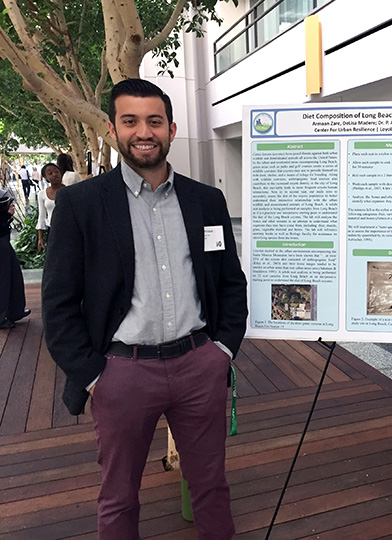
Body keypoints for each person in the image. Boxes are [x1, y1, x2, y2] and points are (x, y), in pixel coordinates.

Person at [42, 78, 248, 540]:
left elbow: (231, 283)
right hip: (122, 372)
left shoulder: (206, 200)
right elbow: (57, 305)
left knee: (211, 486)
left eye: (154, 121)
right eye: (130, 121)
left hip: (200, 364)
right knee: (118, 498)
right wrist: (96, 377)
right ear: (114, 130)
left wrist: (223, 352)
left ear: (171, 129)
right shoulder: (80, 204)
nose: (144, 131)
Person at [0, 189, 31, 329]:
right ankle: (2, 316)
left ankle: (15, 311)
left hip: (4, 241)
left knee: (14, 275)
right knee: (4, 279)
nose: (12, 204)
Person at [36, 163, 64, 251]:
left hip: (68, 230)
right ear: (45, 177)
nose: (55, 174)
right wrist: (40, 238)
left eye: (57, 172)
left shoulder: (69, 190)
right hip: (52, 231)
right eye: (50, 173)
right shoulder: (42, 194)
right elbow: (42, 216)